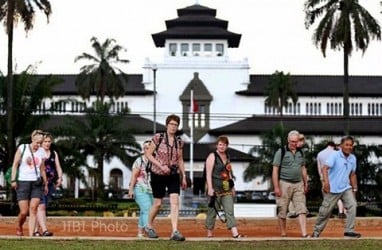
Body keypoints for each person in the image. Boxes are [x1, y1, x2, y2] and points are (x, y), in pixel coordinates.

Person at [144, 114, 187, 241]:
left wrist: (184, 176)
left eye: (176, 125)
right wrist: (161, 165)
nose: (173, 127)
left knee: (175, 201)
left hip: (173, 174)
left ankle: (174, 231)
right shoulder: (158, 137)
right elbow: (148, 154)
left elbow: (180, 159)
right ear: (167, 125)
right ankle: (149, 226)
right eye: (171, 124)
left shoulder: (179, 142)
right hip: (158, 173)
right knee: (158, 203)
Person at [312, 136, 361, 238]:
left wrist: (354, 189)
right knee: (325, 212)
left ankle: (349, 231)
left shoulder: (353, 158)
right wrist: (326, 183)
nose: (349, 147)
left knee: (352, 205)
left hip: (345, 187)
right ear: (341, 146)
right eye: (347, 145)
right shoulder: (335, 155)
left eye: (351, 145)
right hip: (332, 189)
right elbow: (324, 168)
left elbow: (352, 174)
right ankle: (316, 233)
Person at [10, 130, 48, 236]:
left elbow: (42, 169)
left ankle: (31, 235)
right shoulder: (23, 148)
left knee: (34, 208)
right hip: (23, 182)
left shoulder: (41, 152)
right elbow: (15, 165)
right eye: (37, 142)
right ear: (32, 139)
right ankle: (19, 225)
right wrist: (13, 180)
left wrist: (45, 183)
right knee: (24, 211)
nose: (38, 145)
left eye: (40, 143)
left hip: (36, 183)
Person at [272, 130, 309, 237]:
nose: (294, 143)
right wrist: (276, 187)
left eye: (296, 141)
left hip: (298, 183)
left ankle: (304, 233)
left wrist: (306, 183)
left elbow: (303, 168)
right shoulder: (281, 152)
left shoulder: (301, 152)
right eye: (292, 141)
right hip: (284, 183)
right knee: (282, 209)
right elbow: (275, 170)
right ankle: (283, 233)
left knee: (301, 208)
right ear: (288, 140)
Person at [205, 135, 243, 238]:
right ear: (217, 145)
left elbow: (229, 172)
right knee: (212, 212)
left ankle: (235, 233)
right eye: (220, 144)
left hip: (226, 189)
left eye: (224, 145)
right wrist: (210, 188)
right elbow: (208, 174)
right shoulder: (212, 156)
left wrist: (233, 187)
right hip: (215, 189)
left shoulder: (227, 156)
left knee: (229, 210)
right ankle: (209, 233)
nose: (222, 147)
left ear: (227, 146)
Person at [34, 132, 63, 236]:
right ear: (41, 143)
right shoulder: (38, 152)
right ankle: (39, 230)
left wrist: (60, 177)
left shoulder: (54, 153)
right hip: (39, 183)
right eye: (45, 141)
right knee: (40, 207)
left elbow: (58, 166)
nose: (47, 143)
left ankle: (39, 230)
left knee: (43, 207)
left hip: (49, 184)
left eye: (49, 141)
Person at [128, 140, 154, 239]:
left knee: (145, 211)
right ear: (143, 150)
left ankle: (140, 233)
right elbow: (134, 176)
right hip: (140, 188)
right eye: (146, 148)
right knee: (147, 209)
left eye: (150, 148)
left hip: (152, 190)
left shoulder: (155, 160)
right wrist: (130, 189)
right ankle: (149, 230)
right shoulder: (139, 161)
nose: (148, 150)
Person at [317, 141, 346, 219]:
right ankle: (341, 212)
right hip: (335, 177)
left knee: (327, 196)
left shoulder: (320, 154)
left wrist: (321, 178)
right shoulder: (336, 154)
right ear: (333, 146)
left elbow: (319, 168)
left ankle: (328, 213)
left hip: (324, 177)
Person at [287, 133, 306, 218]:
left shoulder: (301, 152)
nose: (302, 143)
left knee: (300, 195)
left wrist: (306, 180)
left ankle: (301, 210)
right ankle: (292, 211)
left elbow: (303, 167)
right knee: (290, 195)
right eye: (300, 141)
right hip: (288, 179)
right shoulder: (286, 151)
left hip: (299, 178)